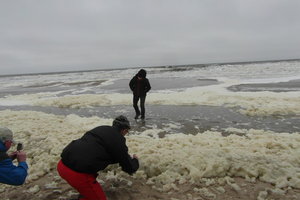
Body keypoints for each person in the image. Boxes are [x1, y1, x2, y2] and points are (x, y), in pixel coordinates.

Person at [57, 115, 139, 200]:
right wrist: (135, 161)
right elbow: (128, 167)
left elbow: (93, 150)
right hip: (77, 174)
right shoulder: (118, 140)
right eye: (127, 131)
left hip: (62, 165)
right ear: (124, 130)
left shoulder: (100, 129)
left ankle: (86, 193)